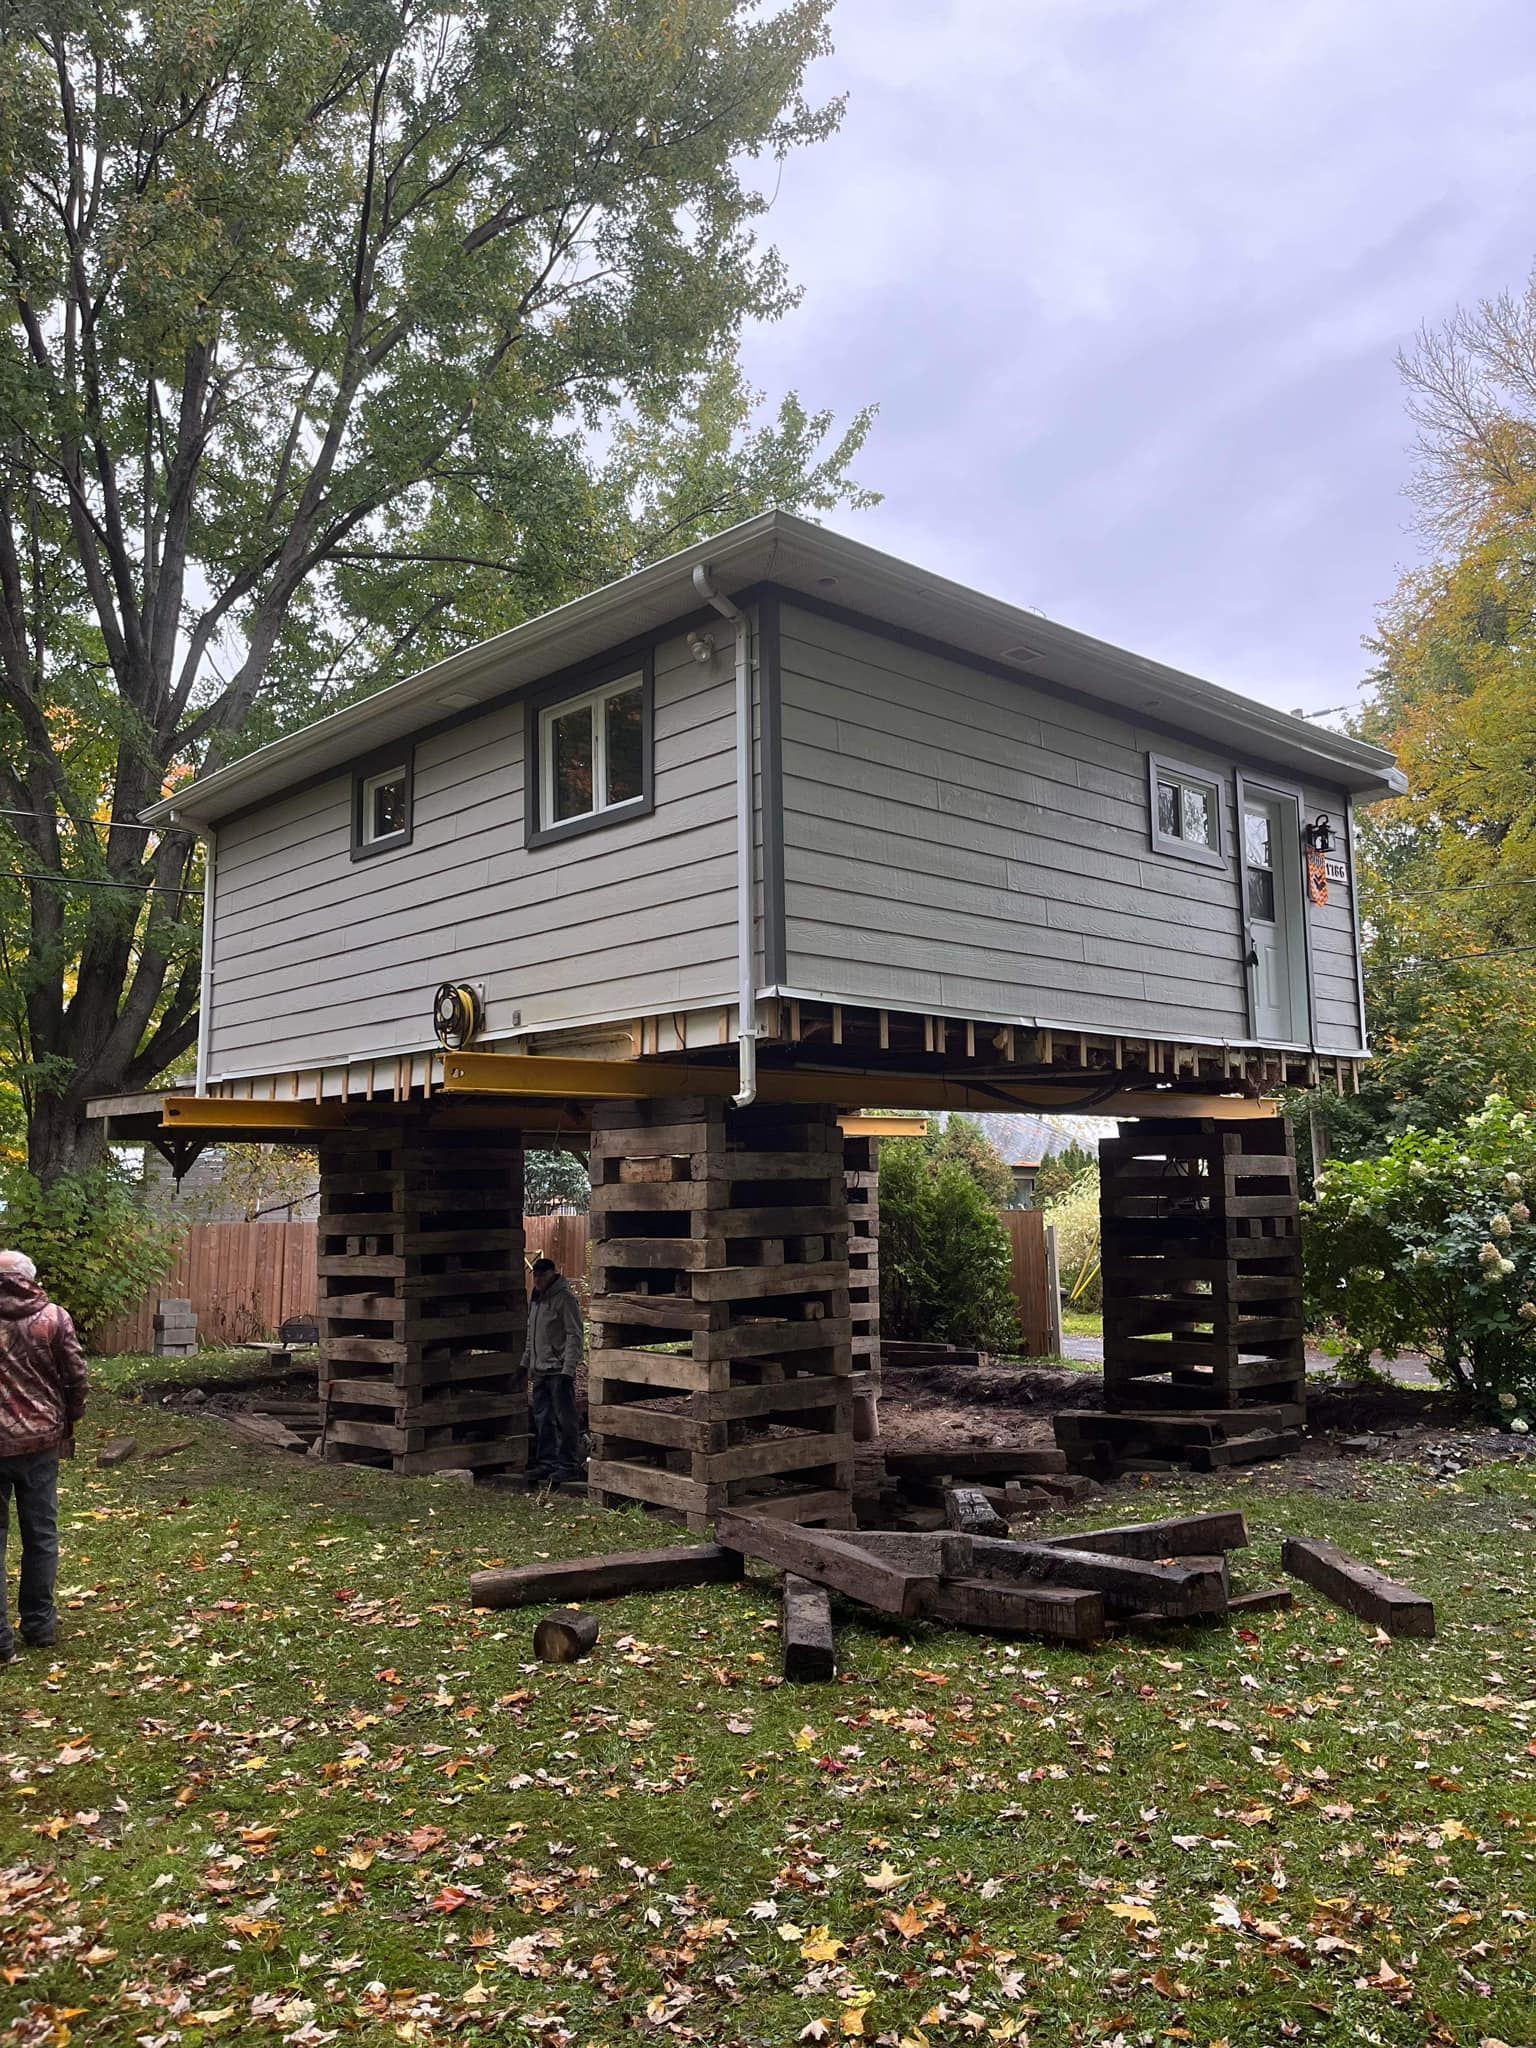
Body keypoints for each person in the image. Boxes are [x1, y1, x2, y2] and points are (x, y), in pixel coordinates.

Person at [0, 1250, 88, 1665]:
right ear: (29, 1278)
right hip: (39, 1442)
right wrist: (70, 1418)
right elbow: (77, 1377)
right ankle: (39, 1626)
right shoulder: (53, 1317)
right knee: (41, 1535)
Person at [521, 1256, 584, 1485]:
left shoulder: (565, 1299)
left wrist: (568, 1369)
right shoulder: (537, 1299)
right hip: (540, 1370)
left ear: (552, 1274)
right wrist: (525, 1363)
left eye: (542, 1275)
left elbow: (575, 1335)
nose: (537, 1280)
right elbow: (532, 1334)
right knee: (542, 1419)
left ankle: (568, 1465)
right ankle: (547, 1463)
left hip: (558, 1371)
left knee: (564, 1419)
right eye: (535, 1275)